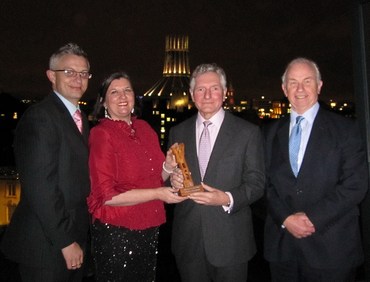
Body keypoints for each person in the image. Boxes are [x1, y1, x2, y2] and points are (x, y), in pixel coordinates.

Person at [264, 57, 369, 281]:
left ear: (319, 86)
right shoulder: (269, 133)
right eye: (293, 82)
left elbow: (355, 185)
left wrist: (313, 218)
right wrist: (285, 218)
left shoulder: (346, 130)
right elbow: (264, 184)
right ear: (284, 89)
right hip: (283, 250)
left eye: (307, 81)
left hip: (332, 250)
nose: (300, 89)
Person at [0, 43, 92, 281]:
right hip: (46, 244)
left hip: (71, 236)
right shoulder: (41, 117)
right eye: (69, 72)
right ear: (51, 76)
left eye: (83, 73)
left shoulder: (79, 117)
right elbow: (41, 187)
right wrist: (66, 241)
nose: (77, 79)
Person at [168, 63, 265, 282]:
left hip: (231, 242)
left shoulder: (247, 133)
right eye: (201, 89)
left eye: (214, 88)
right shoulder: (177, 131)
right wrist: (173, 182)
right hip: (188, 241)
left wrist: (226, 198)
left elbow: (257, 182)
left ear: (224, 92)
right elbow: (170, 180)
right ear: (192, 95)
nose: (208, 95)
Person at [87, 71, 185, 282]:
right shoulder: (102, 134)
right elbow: (106, 195)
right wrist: (159, 193)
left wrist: (167, 167)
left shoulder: (145, 129)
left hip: (149, 227)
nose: (122, 97)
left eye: (127, 90)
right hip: (117, 232)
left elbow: (155, 178)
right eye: (114, 92)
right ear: (103, 101)